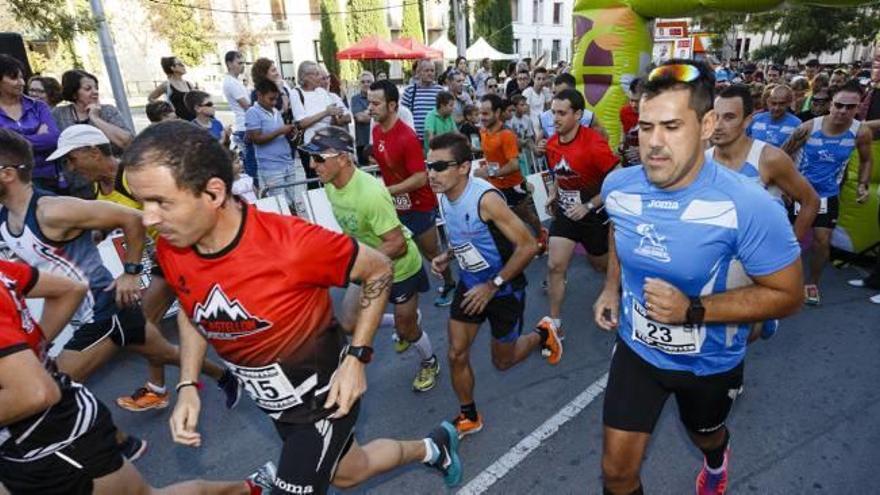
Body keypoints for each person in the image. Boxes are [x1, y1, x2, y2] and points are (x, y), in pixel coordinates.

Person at [123, 121, 463, 494]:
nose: (148, 219)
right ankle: (434, 447)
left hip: (326, 399)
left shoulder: (290, 243)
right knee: (350, 471)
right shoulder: (174, 247)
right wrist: (188, 382)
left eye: (161, 202)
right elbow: (193, 308)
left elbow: (379, 268)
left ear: (213, 192)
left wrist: (357, 358)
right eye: (143, 203)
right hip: (275, 405)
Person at [593, 59, 804, 495]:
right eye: (645, 127)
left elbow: (788, 295)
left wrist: (693, 309)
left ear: (707, 125)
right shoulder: (619, 187)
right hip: (638, 350)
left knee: (704, 435)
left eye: (671, 127)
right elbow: (620, 229)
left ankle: (715, 457)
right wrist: (611, 286)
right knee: (616, 473)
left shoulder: (749, 205)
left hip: (709, 362)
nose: (653, 143)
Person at [0, 259, 275, 494]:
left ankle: (247, 483)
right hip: (31, 433)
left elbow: (36, 392)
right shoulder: (14, 225)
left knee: (165, 353)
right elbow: (69, 287)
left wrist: (131, 270)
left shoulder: (50, 208)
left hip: (106, 321)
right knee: (164, 354)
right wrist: (29, 352)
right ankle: (139, 424)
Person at [427, 132, 563, 438]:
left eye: (439, 167)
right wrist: (449, 254)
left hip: (504, 288)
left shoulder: (485, 199)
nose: (430, 174)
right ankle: (469, 415)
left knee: (503, 361)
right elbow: (468, 234)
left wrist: (492, 285)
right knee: (455, 353)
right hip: (470, 285)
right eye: (428, 165)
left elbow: (528, 245)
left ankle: (542, 333)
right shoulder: (444, 193)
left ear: (463, 167)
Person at [303, 127, 440, 392]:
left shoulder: (370, 193)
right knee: (350, 323)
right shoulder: (331, 186)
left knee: (408, 331)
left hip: (400, 269)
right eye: (311, 157)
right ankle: (405, 318)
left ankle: (429, 361)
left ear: (343, 158)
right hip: (367, 264)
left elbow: (397, 244)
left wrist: (352, 264)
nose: (312, 164)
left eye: (319, 158)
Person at [709, 85, 821, 341]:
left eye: (729, 117)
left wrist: (788, 250)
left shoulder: (769, 158)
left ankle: (763, 320)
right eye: (715, 116)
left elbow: (810, 201)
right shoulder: (702, 160)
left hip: (757, 261)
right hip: (717, 260)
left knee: (742, 334)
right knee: (718, 332)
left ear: (748, 120)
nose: (718, 125)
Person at [534, 89, 618, 340]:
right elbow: (559, 175)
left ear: (578, 115)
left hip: (594, 214)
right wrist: (552, 194)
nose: (555, 118)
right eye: (553, 113)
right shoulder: (550, 144)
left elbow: (617, 181)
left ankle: (618, 291)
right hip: (567, 212)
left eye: (562, 113)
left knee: (600, 265)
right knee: (555, 265)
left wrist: (589, 205)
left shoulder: (594, 143)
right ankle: (554, 323)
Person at [782, 79, 874, 305]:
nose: (843, 111)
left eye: (850, 107)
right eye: (839, 105)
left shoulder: (860, 132)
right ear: (831, 104)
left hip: (827, 194)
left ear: (859, 107)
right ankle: (781, 282)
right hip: (799, 193)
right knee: (788, 240)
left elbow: (866, 161)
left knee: (822, 241)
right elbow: (782, 155)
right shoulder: (808, 128)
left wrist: (863, 184)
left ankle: (811, 283)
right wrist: (784, 186)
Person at [368, 80, 457, 306]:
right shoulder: (376, 131)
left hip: (419, 204)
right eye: (369, 102)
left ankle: (450, 284)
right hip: (396, 203)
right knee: (398, 249)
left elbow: (420, 177)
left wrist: (387, 191)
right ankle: (405, 301)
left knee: (431, 252)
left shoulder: (406, 137)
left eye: (376, 103)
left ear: (392, 106)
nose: (370, 108)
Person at [477, 94, 548, 251]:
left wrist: (490, 173)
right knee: (502, 219)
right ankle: (515, 246)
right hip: (495, 185)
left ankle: (541, 235)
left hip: (513, 185)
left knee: (526, 215)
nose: (482, 117)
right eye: (480, 113)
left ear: (497, 113)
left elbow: (514, 164)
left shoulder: (506, 135)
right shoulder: (483, 131)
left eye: (486, 113)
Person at [0, 55, 61, 193]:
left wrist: (12, 139)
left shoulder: (38, 106)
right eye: (14, 78)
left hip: (47, 178)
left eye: (22, 77)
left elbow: (53, 139)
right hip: (9, 183)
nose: (21, 82)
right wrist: (37, 136)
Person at [246, 79, 304, 213]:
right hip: (270, 167)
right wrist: (280, 131)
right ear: (259, 95)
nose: (273, 102)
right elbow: (256, 139)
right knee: (278, 205)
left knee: (290, 201)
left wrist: (290, 133)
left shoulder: (275, 111)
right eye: (270, 99)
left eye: (275, 99)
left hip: (287, 162)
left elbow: (280, 134)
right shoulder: (252, 112)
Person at [292, 61, 349, 189]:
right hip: (311, 143)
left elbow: (333, 120)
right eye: (316, 74)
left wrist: (335, 115)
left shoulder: (321, 92)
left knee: (332, 179)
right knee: (315, 179)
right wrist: (326, 112)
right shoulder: (296, 93)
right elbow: (301, 123)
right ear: (305, 77)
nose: (320, 78)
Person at [53, 69, 134, 156]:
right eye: (88, 89)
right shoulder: (59, 114)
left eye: (96, 88)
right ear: (74, 93)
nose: (95, 92)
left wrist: (95, 118)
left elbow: (128, 142)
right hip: (74, 168)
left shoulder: (108, 111)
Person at [222, 50, 257, 184]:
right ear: (229, 64)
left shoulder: (236, 81)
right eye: (239, 63)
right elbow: (247, 106)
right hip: (244, 126)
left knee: (253, 165)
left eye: (243, 63)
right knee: (251, 167)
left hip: (246, 125)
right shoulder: (230, 82)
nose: (242, 66)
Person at [537, 73, 606, 141]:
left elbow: (603, 141)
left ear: (573, 91)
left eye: (563, 94)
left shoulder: (588, 117)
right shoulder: (544, 118)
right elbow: (538, 146)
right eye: (555, 93)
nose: (557, 97)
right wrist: (541, 146)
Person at [401, 59, 445, 142]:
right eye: (426, 70)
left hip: (436, 141)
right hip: (415, 140)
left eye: (432, 70)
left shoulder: (440, 91)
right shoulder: (410, 91)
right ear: (419, 72)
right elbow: (403, 116)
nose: (430, 73)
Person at [147, 56, 196, 120]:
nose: (183, 66)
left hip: (194, 120)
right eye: (180, 64)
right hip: (178, 123)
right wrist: (166, 108)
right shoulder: (166, 85)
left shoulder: (189, 84)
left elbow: (196, 102)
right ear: (172, 68)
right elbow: (151, 98)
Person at [507, 95, 538, 177]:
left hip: (525, 150)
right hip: (514, 150)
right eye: (522, 105)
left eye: (525, 104)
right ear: (515, 107)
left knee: (527, 173)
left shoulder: (527, 119)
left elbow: (530, 136)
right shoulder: (510, 120)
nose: (525, 107)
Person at [351, 71, 375, 165]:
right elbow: (360, 118)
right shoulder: (355, 99)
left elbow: (383, 116)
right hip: (362, 142)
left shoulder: (379, 96)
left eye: (369, 81)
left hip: (378, 141)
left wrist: (366, 113)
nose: (366, 84)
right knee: (365, 171)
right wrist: (375, 115)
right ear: (359, 84)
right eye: (363, 82)